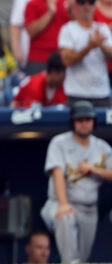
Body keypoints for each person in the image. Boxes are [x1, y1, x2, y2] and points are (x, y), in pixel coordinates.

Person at [40, 100, 112, 263]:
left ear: (94, 121)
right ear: (73, 122)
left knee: (82, 256)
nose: (84, 124)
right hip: (59, 203)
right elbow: (57, 173)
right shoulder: (59, 143)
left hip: (89, 208)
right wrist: (63, 203)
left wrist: (94, 169)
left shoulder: (102, 147)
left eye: (88, 119)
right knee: (66, 218)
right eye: (80, 120)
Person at [58, 0, 112, 107]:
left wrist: (101, 45)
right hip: (76, 93)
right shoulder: (68, 29)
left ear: (95, 4)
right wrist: (89, 47)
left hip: (101, 93)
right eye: (82, 1)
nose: (87, 6)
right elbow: (66, 61)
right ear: (76, 5)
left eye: (91, 1)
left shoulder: (102, 29)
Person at [24, 0, 72, 75]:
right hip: (39, 57)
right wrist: (49, 14)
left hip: (64, 55)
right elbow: (31, 31)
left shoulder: (71, 0)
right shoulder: (32, 3)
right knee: (35, 91)